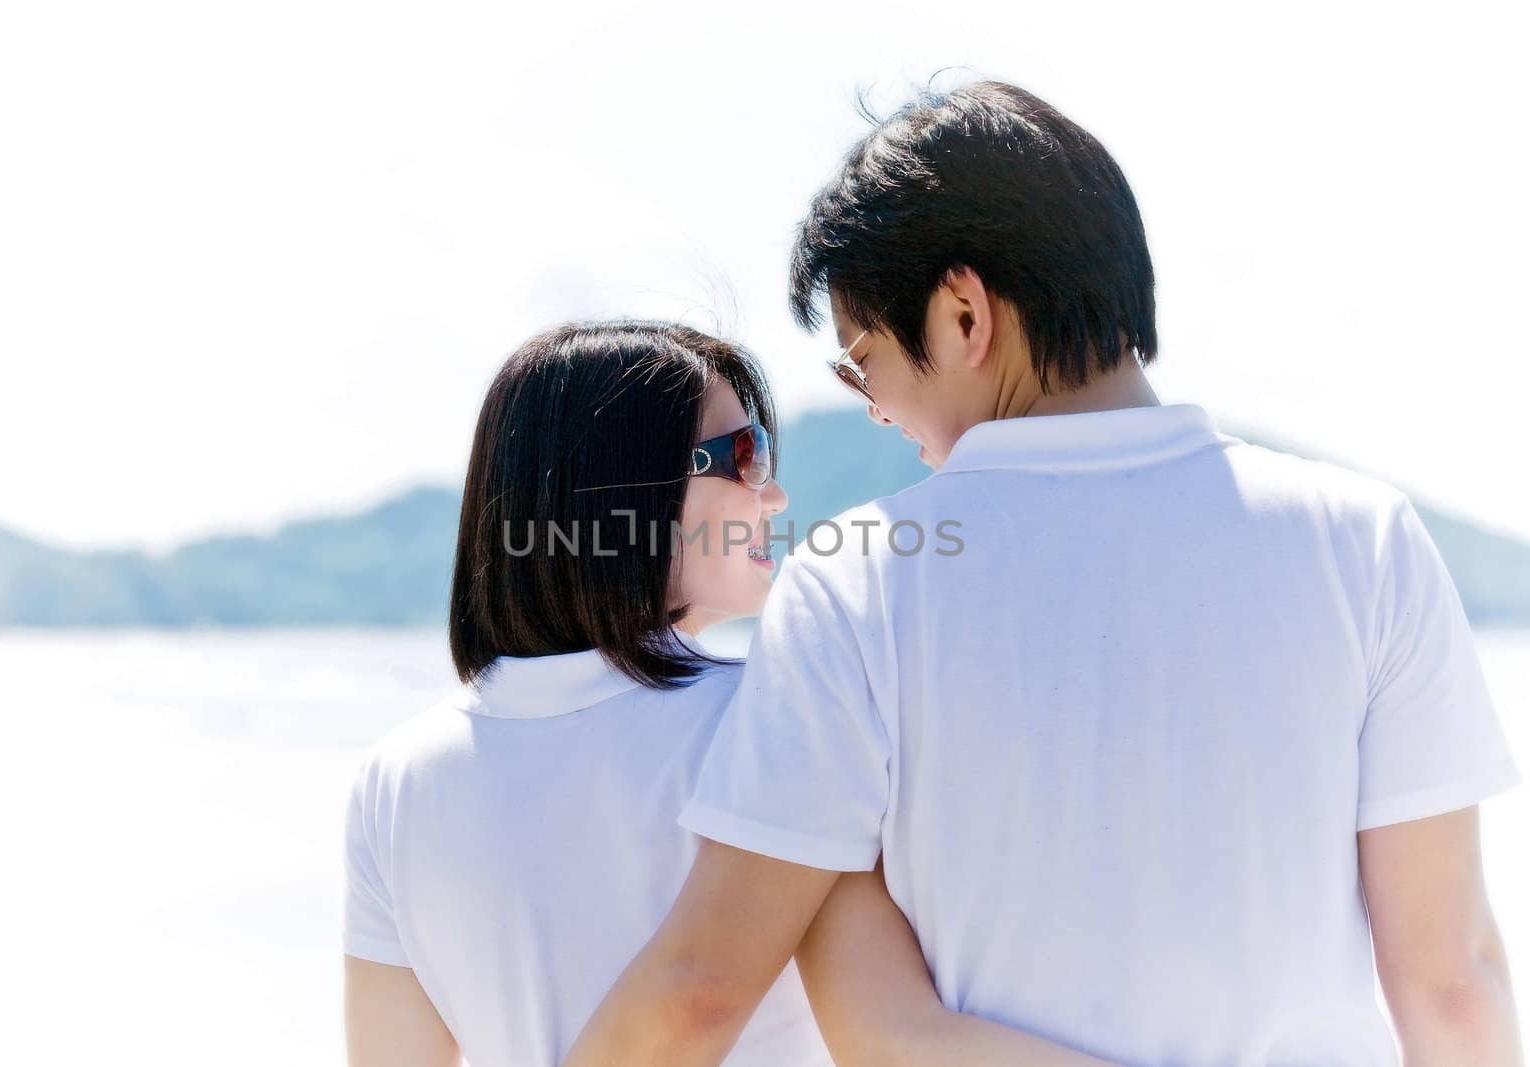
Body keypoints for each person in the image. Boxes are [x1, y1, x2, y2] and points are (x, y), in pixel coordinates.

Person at [565, 83, 1525, 1065]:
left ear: (962, 312)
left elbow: (699, 992)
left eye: (862, 361)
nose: (872, 407)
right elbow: (1450, 984)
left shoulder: (860, 578)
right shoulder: (1361, 538)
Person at [341, 320, 1120, 1066]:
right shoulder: (778, 715)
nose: (773, 496)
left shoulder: (393, 778)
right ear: (623, 490)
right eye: (744, 455)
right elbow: (894, 1041)